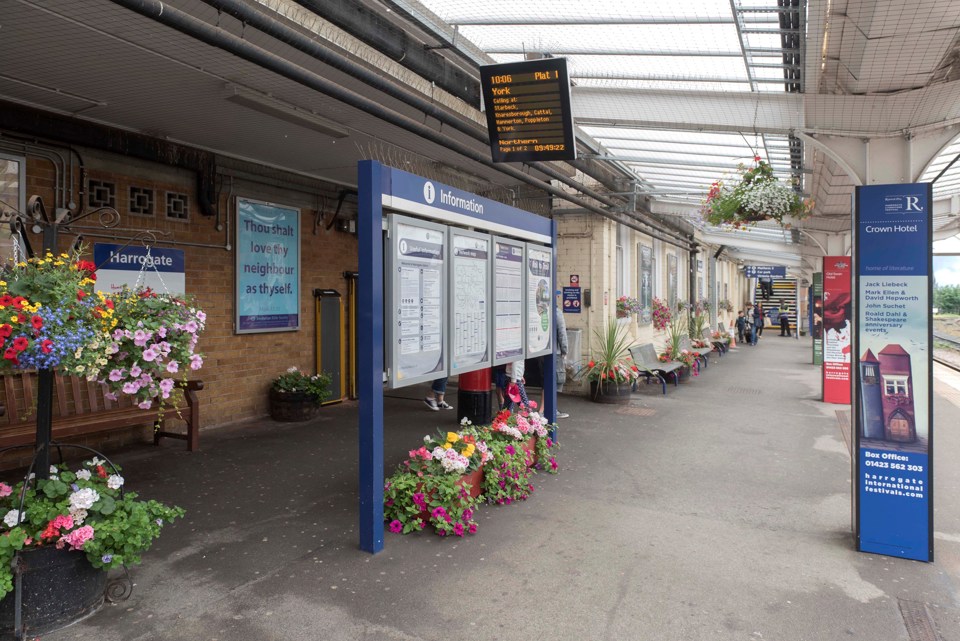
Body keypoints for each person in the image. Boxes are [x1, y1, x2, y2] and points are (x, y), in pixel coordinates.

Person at [554, 300, 570, 419]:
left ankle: (544, 409)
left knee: (545, 382)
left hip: (542, 351)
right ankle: (551, 409)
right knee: (556, 381)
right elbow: (562, 334)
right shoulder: (557, 312)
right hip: (556, 353)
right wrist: (565, 351)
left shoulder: (542, 312)